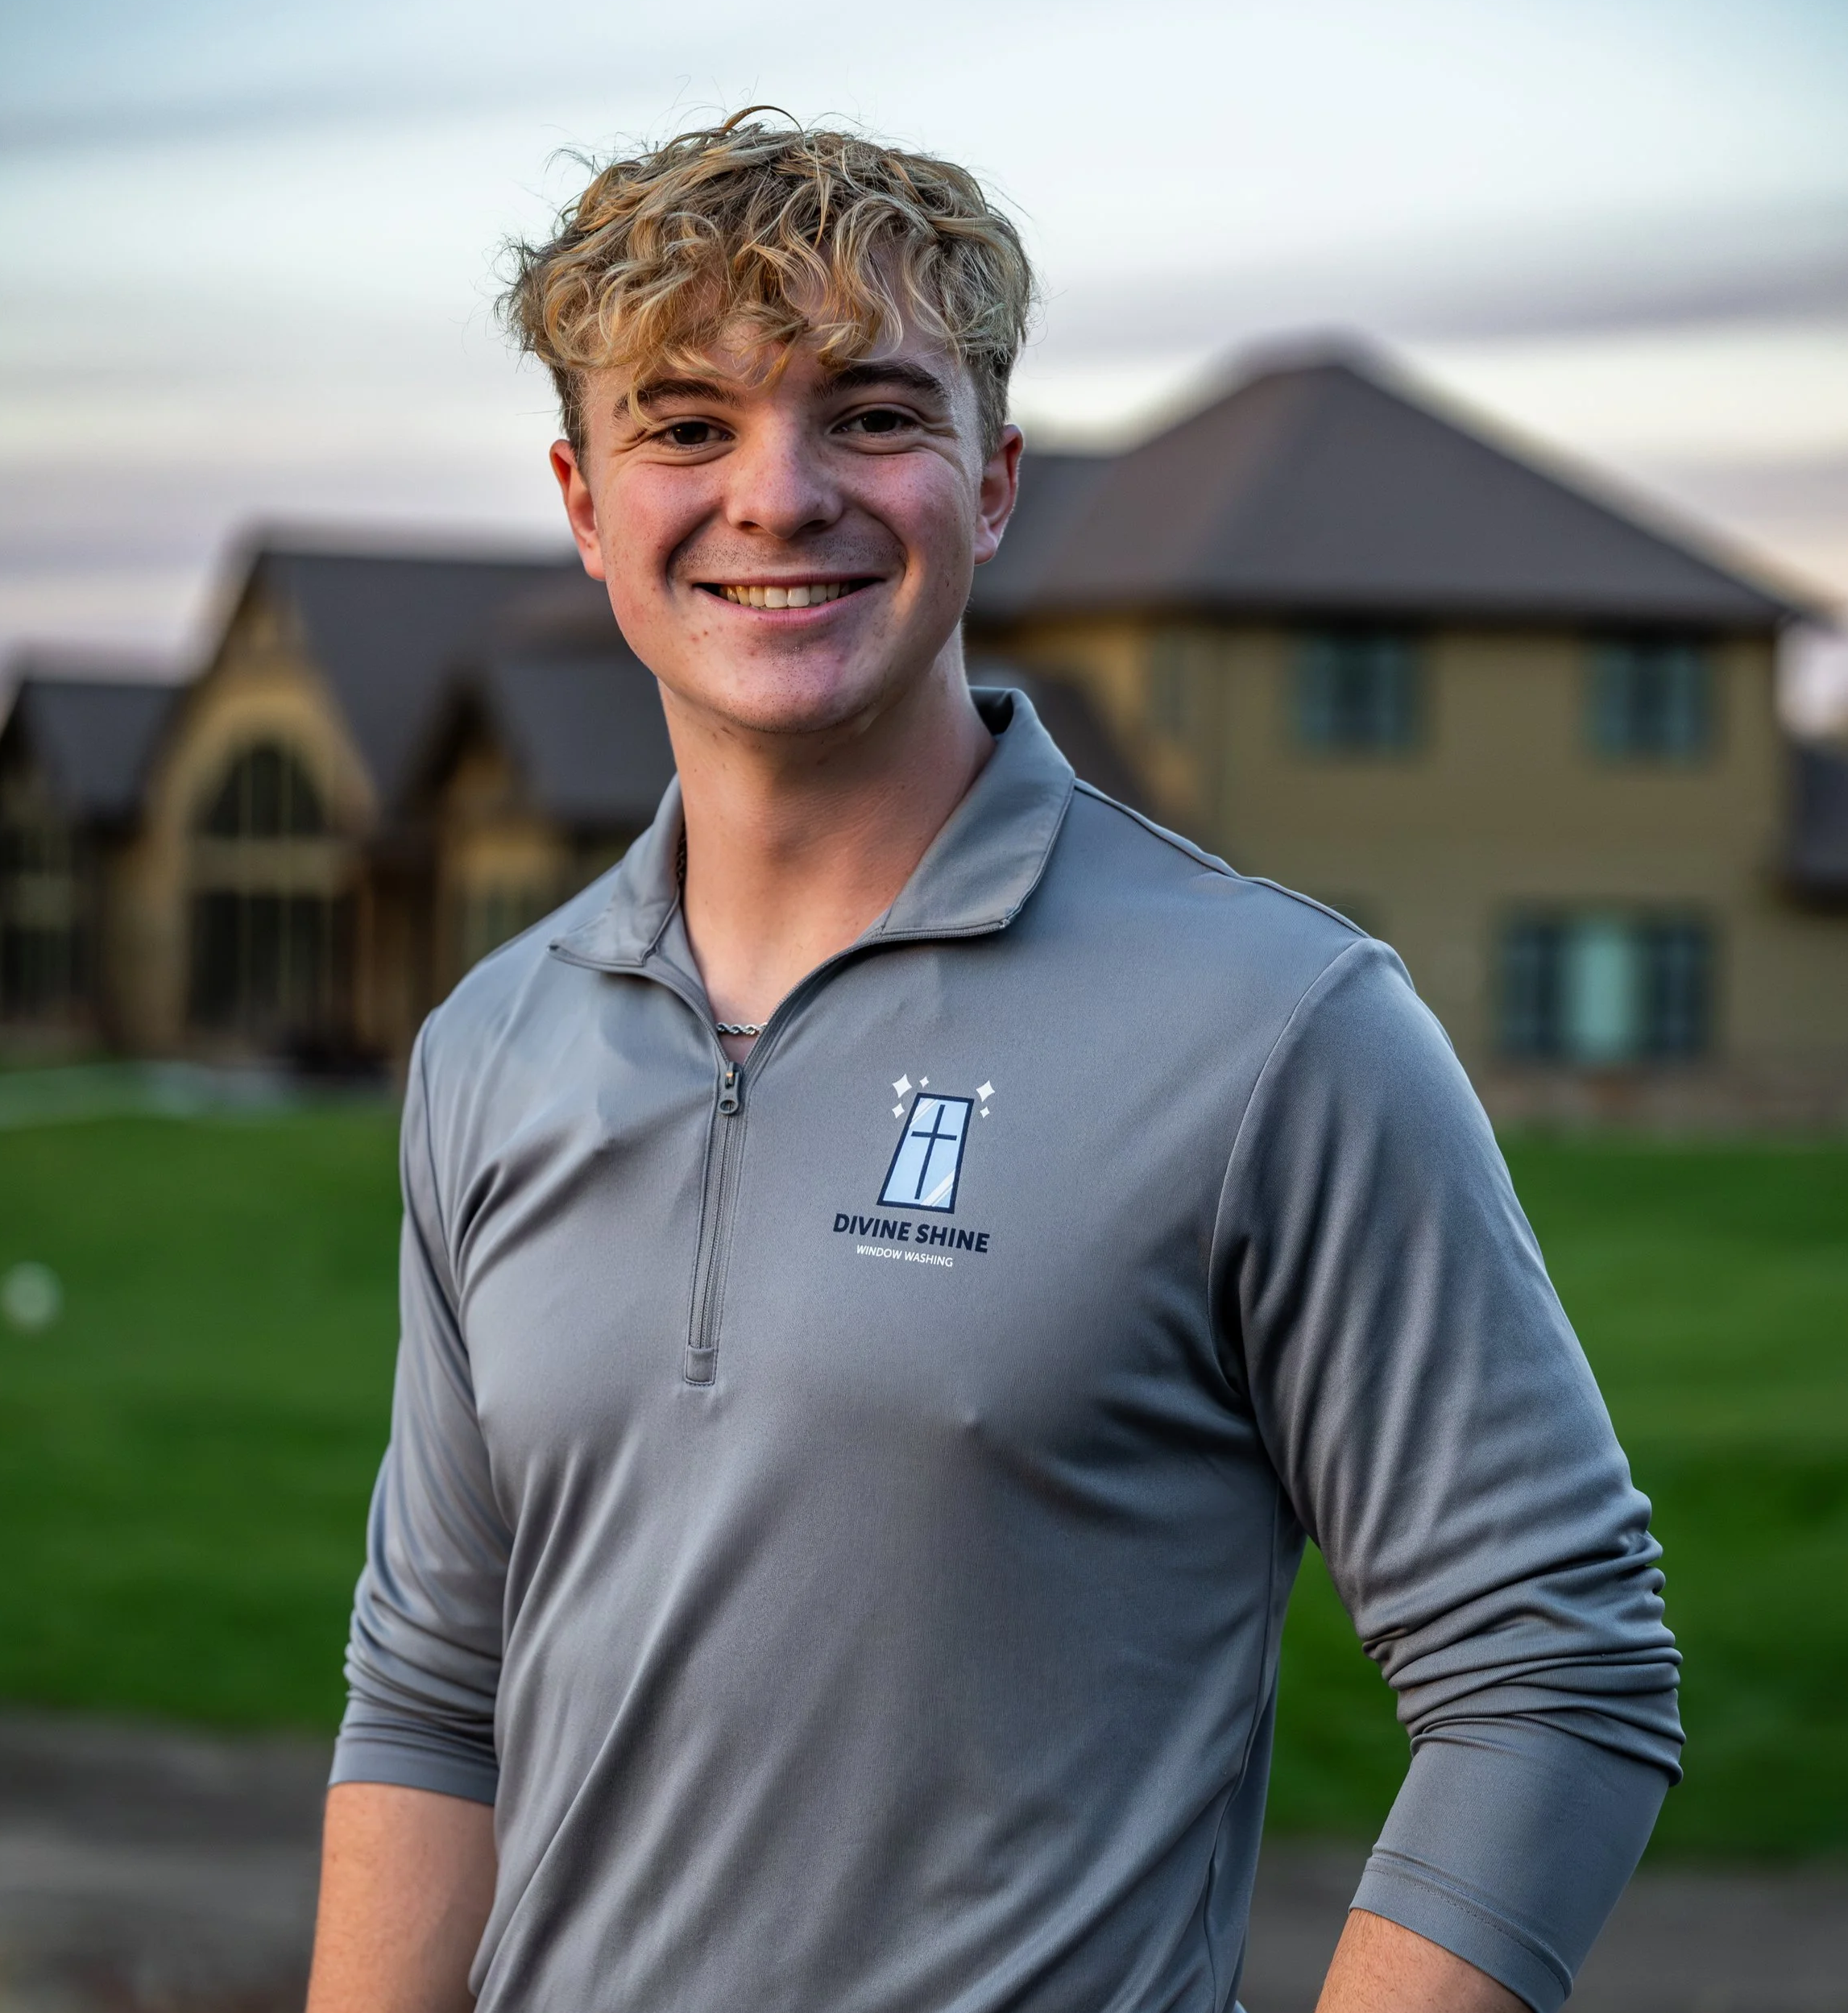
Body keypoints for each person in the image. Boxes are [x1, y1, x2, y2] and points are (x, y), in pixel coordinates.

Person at [305, 114, 1681, 2013]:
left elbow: (1553, 1665)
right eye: (685, 425)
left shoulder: (1273, 1027)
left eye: (872, 415)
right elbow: (433, 1692)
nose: (779, 495)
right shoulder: (496, 1042)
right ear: (583, 501)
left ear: (994, 476)